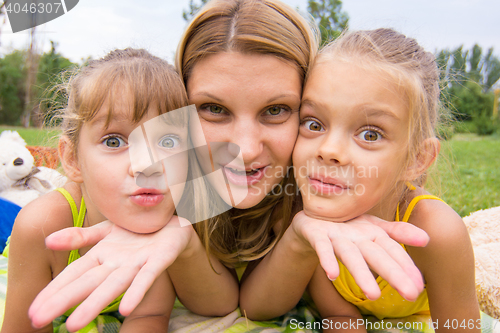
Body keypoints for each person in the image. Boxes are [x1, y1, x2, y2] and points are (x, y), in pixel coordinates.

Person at [28, 0, 430, 330]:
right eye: (213, 109)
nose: (245, 149)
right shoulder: (161, 181)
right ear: (177, 110)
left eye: (276, 110)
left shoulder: (319, 185)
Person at [1, 48, 238, 333]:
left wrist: (186, 241)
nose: (148, 165)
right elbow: (22, 325)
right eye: (114, 142)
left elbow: (150, 316)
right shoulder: (42, 225)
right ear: (72, 159)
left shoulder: (165, 213)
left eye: (168, 142)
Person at [288, 28, 479, 331]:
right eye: (314, 123)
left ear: (417, 158)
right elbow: (339, 316)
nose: (328, 150)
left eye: (370, 134)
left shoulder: (437, 233)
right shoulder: (309, 219)